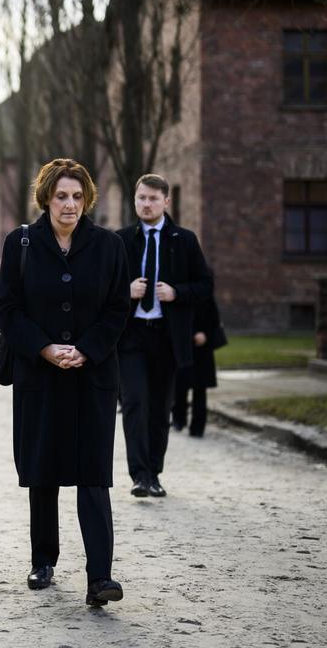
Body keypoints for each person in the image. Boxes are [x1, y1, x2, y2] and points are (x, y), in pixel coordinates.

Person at [0, 158, 130, 607]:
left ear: (87, 199)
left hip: (93, 376)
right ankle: (43, 559)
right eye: (61, 196)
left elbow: (117, 309)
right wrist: (45, 348)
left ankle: (100, 577)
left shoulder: (109, 246)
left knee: (94, 475)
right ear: (46, 199)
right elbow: (8, 309)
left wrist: (87, 348)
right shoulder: (22, 243)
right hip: (40, 375)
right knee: (43, 470)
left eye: (76, 196)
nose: (69, 205)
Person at [116, 174, 214, 498]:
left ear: (166, 202)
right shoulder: (120, 240)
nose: (146, 204)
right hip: (131, 336)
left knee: (160, 408)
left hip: (166, 337)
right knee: (134, 402)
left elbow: (205, 285)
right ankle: (139, 476)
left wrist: (177, 292)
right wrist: (124, 290)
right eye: (141, 198)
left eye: (153, 199)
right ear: (135, 200)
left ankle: (154, 473)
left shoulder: (184, 240)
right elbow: (99, 287)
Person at [172, 293, 227, 438]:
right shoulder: (180, 291)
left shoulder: (206, 295)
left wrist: (205, 335)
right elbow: (177, 318)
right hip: (184, 346)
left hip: (203, 348)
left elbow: (214, 318)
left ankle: (197, 427)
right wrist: (191, 334)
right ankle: (179, 419)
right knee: (180, 386)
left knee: (200, 388)